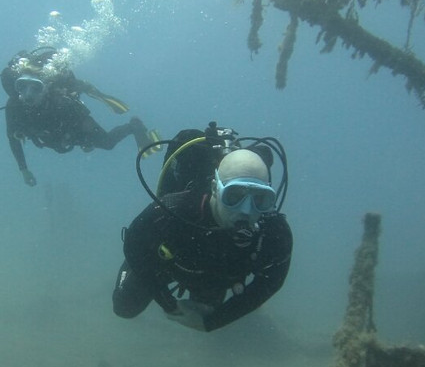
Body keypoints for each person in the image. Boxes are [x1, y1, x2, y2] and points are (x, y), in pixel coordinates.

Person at [112, 127, 293, 331]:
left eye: (260, 199)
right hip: (169, 264)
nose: (246, 210)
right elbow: (134, 243)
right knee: (124, 306)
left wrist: (211, 323)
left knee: (206, 309)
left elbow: (271, 282)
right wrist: (164, 298)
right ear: (216, 188)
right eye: (234, 196)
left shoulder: (274, 232)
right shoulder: (176, 208)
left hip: (214, 277)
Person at [0, 48, 158, 186]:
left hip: (73, 132)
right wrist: (23, 169)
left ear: (45, 88)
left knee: (107, 143)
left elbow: (84, 121)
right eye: (22, 86)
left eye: (35, 88)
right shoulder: (14, 107)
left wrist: (88, 138)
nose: (28, 95)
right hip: (55, 139)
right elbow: (13, 138)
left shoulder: (61, 103)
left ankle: (134, 126)